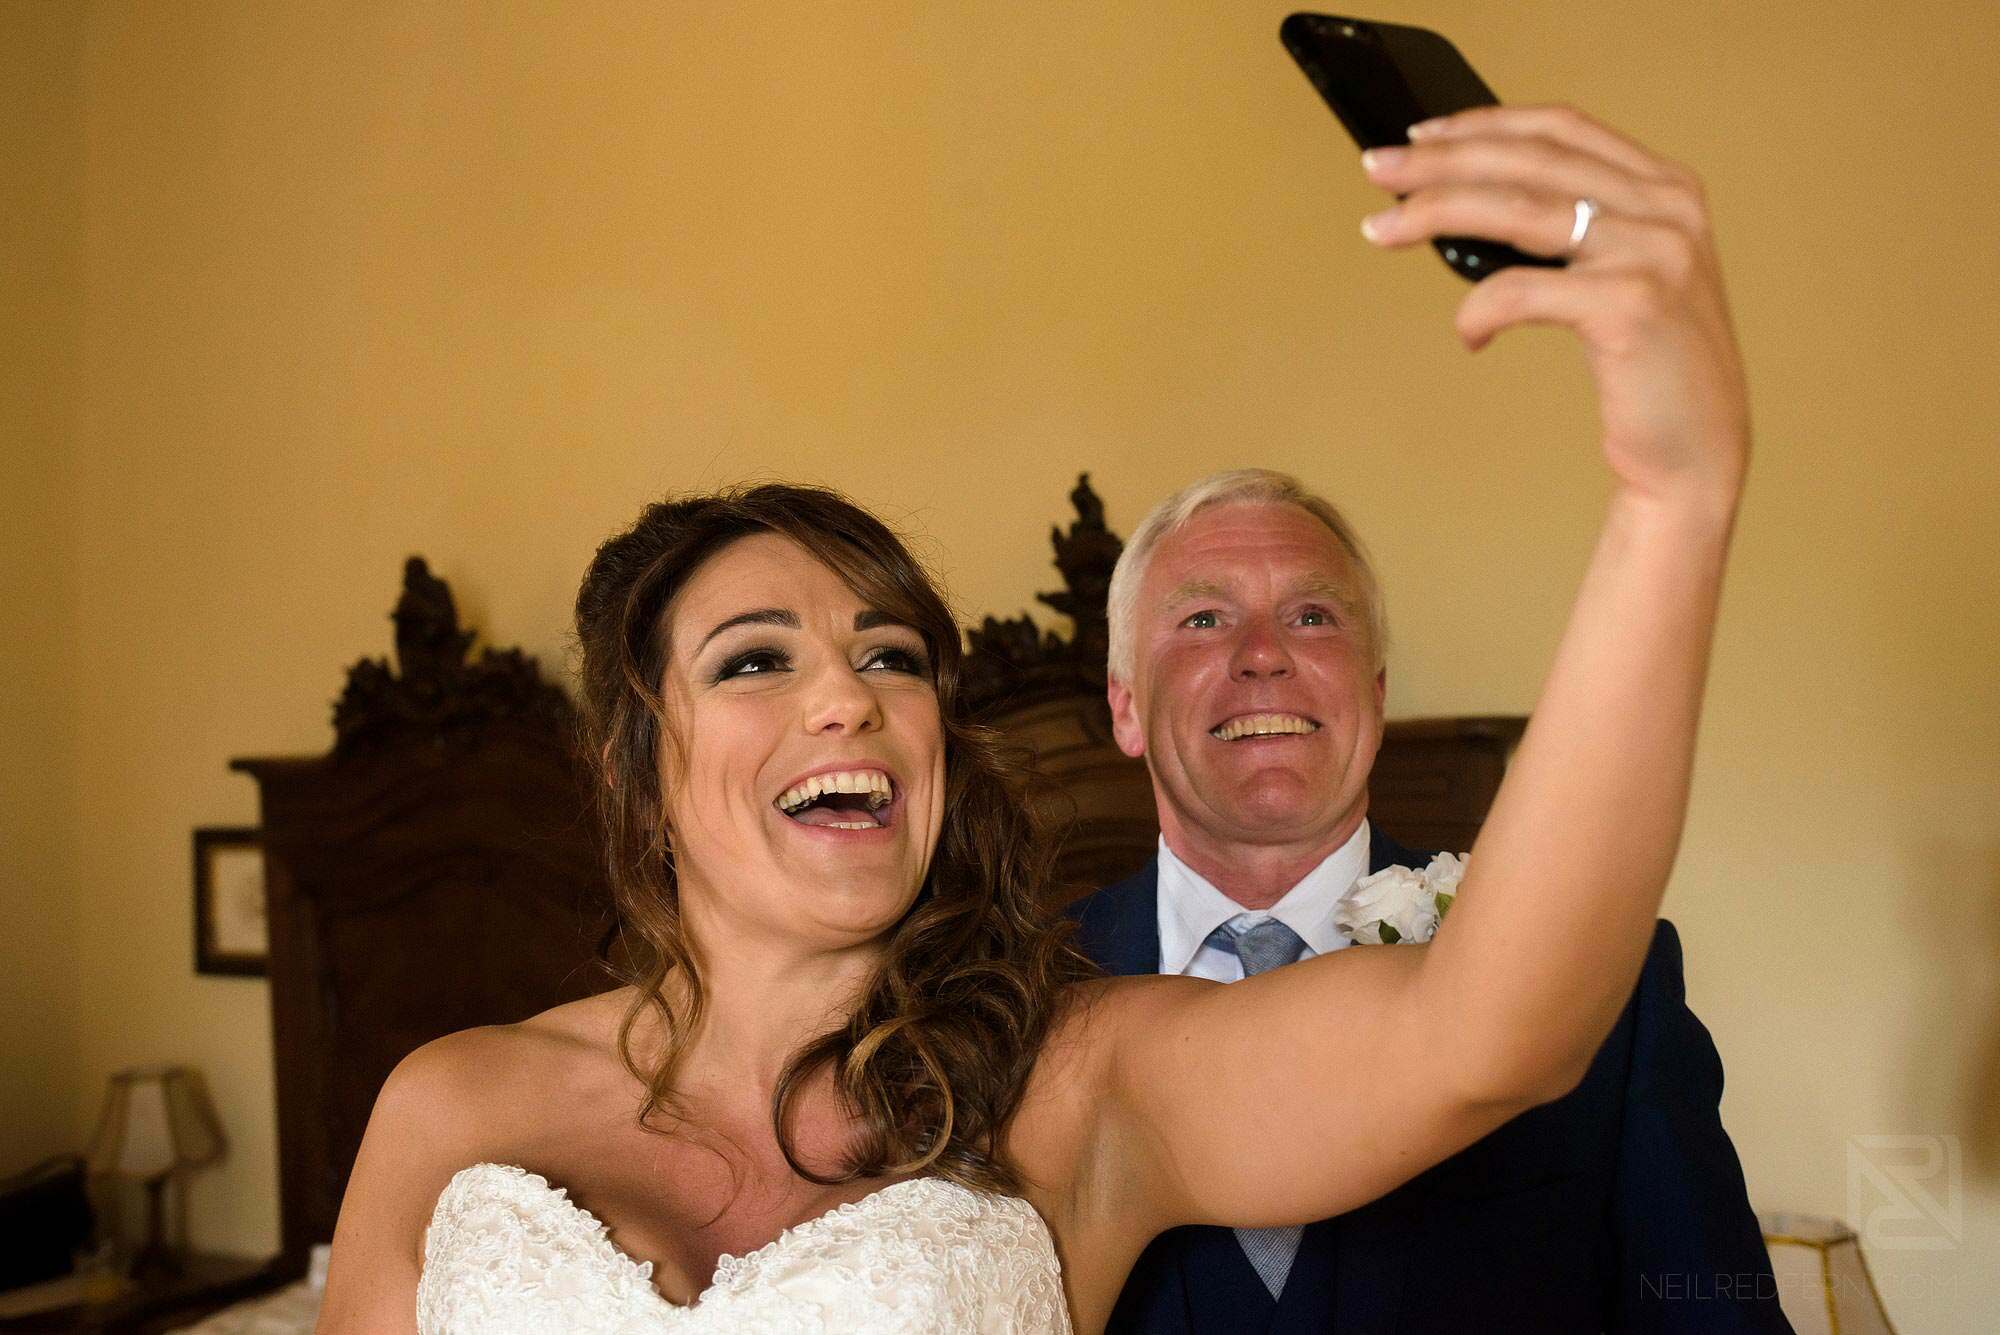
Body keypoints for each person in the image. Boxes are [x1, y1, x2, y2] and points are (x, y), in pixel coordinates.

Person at [318, 103, 1753, 1335]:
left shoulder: (1074, 1081)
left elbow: (1481, 1032)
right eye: (756, 660)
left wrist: (1672, 500)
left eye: (890, 655)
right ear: (640, 763)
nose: (847, 695)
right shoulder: (454, 1107)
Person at [1075, 462, 1788, 1334]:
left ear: (1374, 694)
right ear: (1124, 705)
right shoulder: (1006, 999)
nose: (1263, 653)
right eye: (1202, 618)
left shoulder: (1600, 980)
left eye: (1312, 616)